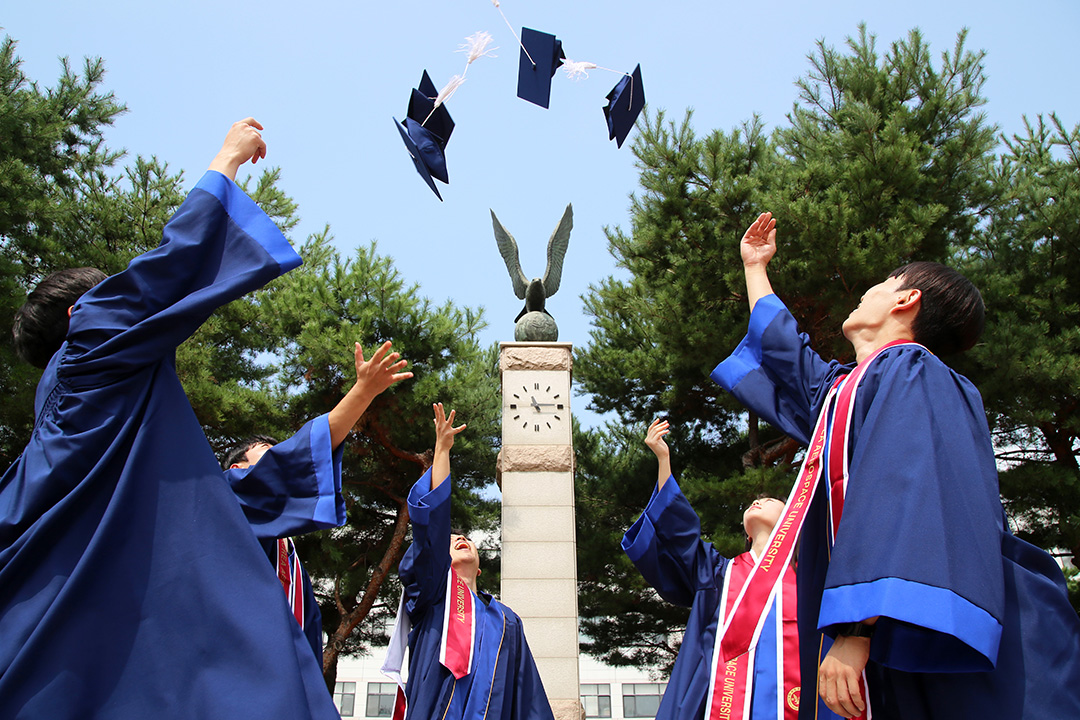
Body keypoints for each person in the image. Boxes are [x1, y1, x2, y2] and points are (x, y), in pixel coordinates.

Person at [0, 119, 341, 719]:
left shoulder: (54, 424)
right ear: (81, 310)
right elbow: (174, 263)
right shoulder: (91, 344)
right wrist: (226, 162)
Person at [711, 211, 1080, 719]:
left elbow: (906, 493)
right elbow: (786, 356)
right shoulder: (851, 387)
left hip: (919, 621)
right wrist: (756, 267)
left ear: (907, 300)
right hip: (891, 628)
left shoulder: (914, 372)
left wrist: (857, 629)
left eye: (883, 283)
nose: (866, 290)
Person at [221, 340, 412, 665]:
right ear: (239, 468)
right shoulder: (226, 495)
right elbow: (292, 461)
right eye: (268, 451)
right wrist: (362, 393)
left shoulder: (286, 552)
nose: (280, 452)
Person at [383, 403, 555, 720]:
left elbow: (527, 698)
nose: (459, 539)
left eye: (465, 539)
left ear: (478, 567)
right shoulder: (432, 597)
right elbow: (430, 533)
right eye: (450, 541)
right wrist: (443, 451)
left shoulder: (507, 621)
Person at [622, 418, 801, 720]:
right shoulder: (720, 574)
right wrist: (663, 460)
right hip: (719, 699)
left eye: (769, 500)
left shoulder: (806, 581)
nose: (758, 500)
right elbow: (677, 533)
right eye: (756, 500)